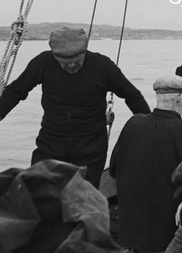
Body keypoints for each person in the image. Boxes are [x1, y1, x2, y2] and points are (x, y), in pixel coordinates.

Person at [0, 26, 150, 188]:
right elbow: (16, 91)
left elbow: (132, 95)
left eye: (76, 60)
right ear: (55, 56)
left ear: (84, 52)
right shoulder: (43, 62)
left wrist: (150, 127)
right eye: (65, 62)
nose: (71, 65)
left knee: (84, 196)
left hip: (90, 144)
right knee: (37, 189)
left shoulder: (102, 66)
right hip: (52, 140)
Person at [109, 75, 182, 252]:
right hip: (169, 234)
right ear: (181, 100)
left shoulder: (133, 123)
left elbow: (113, 170)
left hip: (131, 231)